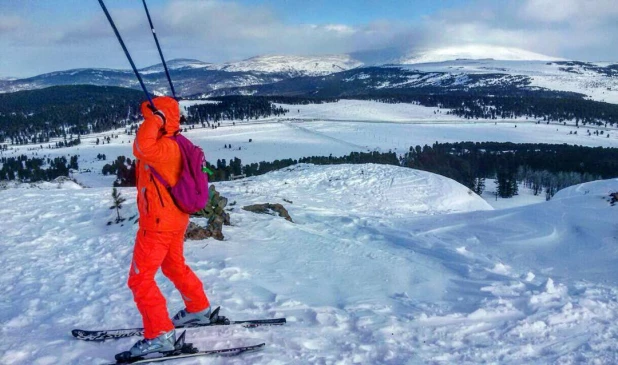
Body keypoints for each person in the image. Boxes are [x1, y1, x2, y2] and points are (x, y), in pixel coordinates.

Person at [127, 96, 212, 357]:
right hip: (174, 219)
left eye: (151, 116)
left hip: (158, 224)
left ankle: (160, 335)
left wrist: (157, 118)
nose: (147, 121)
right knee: (174, 266)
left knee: (140, 279)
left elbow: (141, 147)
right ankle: (198, 308)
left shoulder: (163, 148)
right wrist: (164, 120)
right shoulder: (177, 142)